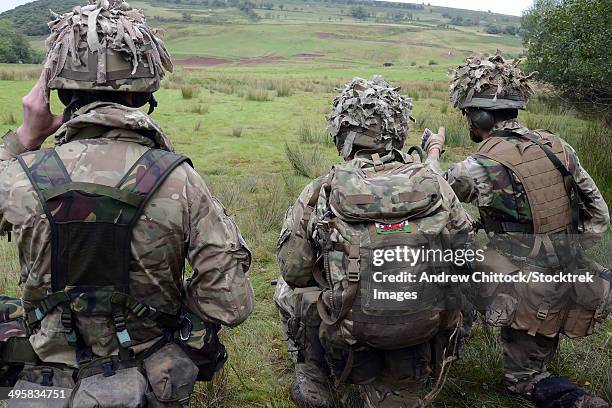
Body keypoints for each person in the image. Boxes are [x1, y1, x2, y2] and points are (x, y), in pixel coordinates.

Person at [0, 1, 254, 406]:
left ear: (59, 92)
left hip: (45, 374)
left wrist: (23, 140)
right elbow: (232, 303)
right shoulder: (179, 180)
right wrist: (169, 304)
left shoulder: (19, 176)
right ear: (145, 92)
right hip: (148, 374)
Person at [422, 52, 610, 408]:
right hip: (566, 271)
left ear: (477, 116)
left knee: (523, 381)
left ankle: (582, 401)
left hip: (526, 286)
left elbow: (432, 189)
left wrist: (432, 151)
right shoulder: (558, 146)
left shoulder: (481, 166)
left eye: (467, 114)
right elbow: (598, 214)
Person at [275, 76, 474, 408]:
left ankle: (314, 377)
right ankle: (423, 370)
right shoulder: (436, 185)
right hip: (422, 329)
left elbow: (294, 270)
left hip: (348, 334)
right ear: (398, 129)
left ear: (342, 133)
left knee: (287, 290)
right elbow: (465, 258)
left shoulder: (321, 190)